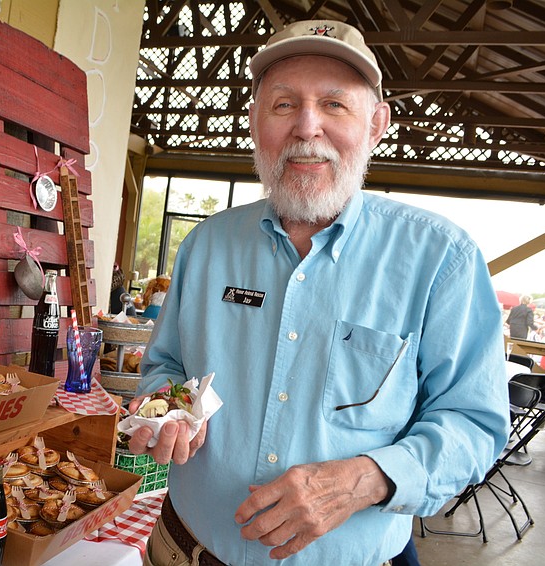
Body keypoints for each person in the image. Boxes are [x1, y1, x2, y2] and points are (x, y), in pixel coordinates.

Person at [128, 19, 510, 565]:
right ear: (257, 122)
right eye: (283, 105)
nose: (307, 128)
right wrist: (163, 408)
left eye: (334, 104)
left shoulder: (441, 259)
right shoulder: (206, 245)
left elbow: (473, 423)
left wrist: (363, 480)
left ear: (376, 124)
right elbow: (164, 365)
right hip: (180, 551)